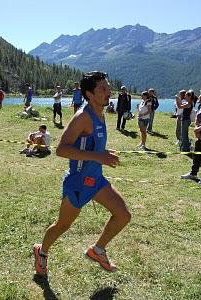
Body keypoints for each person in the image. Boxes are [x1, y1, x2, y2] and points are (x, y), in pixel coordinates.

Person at [33, 71, 131, 278]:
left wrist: (101, 155)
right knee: (63, 225)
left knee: (123, 215)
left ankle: (97, 250)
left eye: (108, 86)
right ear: (89, 94)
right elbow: (61, 150)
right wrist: (98, 156)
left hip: (96, 180)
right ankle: (41, 251)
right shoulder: (83, 117)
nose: (108, 91)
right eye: (102, 88)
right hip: (78, 183)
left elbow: (91, 146)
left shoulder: (101, 113)